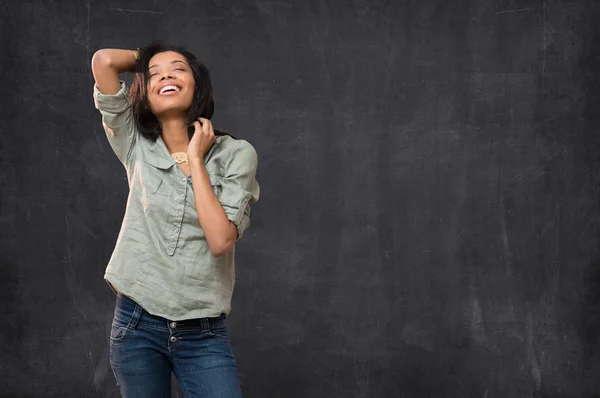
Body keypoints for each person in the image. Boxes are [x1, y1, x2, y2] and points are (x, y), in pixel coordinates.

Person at [90, 41, 260, 397]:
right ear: (145, 95)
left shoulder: (235, 155)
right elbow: (105, 61)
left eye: (179, 69)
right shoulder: (134, 141)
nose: (166, 74)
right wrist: (147, 57)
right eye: (154, 74)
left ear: (198, 86)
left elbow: (220, 240)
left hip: (203, 332)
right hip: (136, 325)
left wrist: (196, 160)